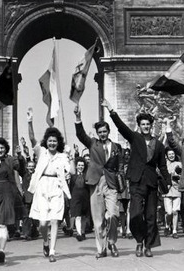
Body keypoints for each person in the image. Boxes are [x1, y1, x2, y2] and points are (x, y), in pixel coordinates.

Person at [102, 99, 171, 257]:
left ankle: (148, 246)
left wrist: (167, 182)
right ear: (139, 126)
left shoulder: (159, 145)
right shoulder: (134, 138)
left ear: (151, 126)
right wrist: (111, 109)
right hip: (136, 181)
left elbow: (162, 166)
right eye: (143, 124)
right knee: (135, 214)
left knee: (151, 216)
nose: (146, 126)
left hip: (152, 183)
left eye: (148, 124)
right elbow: (121, 126)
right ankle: (139, 240)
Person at [74, 105, 122, 258]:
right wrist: (78, 118)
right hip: (95, 183)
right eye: (99, 132)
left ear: (108, 132)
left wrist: (121, 180)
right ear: (97, 133)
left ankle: (112, 241)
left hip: (111, 183)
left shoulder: (116, 147)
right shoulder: (92, 143)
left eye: (104, 131)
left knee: (113, 215)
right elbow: (81, 135)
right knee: (98, 219)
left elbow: (120, 166)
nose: (102, 134)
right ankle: (101, 249)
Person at [28, 127, 71, 263]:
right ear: (46, 142)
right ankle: (45, 241)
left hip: (56, 187)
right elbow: (32, 138)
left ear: (58, 143)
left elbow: (72, 171)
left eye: (55, 141)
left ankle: (52, 251)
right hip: (42, 187)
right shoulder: (41, 152)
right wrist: (30, 122)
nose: (52, 143)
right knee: (42, 223)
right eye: (50, 141)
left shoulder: (62, 156)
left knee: (54, 220)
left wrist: (70, 156)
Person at [0, 137, 23, 264]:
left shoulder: (11, 159)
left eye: (2, 148)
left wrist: (20, 155)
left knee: (2, 223)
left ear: (5, 149)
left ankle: (1, 249)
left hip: (7, 192)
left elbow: (19, 166)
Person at [69, 157, 90, 241]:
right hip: (76, 198)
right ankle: (79, 233)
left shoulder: (86, 176)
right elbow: (70, 187)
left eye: (82, 165)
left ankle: (83, 231)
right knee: (77, 216)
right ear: (76, 166)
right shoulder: (73, 176)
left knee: (84, 216)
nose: (81, 167)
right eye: (79, 165)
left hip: (85, 197)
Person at [163, 148, 181, 239]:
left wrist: (177, 176)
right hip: (167, 190)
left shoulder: (179, 164)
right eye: (169, 154)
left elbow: (182, 175)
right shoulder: (164, 165)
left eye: (173, 154)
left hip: (177, 189)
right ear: (166, 155)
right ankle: (167, 225)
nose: (171, 156)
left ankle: (174, 230)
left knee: (175, 211)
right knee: (169, 212)